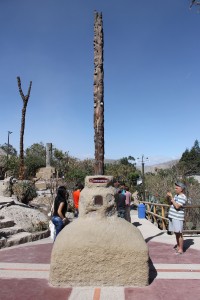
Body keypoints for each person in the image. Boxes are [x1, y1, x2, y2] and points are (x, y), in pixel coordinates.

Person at [167, 182, 187, 254]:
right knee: (176, 233)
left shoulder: (183, 197)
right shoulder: (176, 195)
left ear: (181, 189)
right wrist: (169, 197)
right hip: (172, 216)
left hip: (178, 217)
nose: (175, 189)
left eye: (176, 188)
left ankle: (181, 249)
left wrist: (172, 198)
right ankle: (178, 246)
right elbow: (170, 203)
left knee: (179, 233)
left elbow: (177, 206)